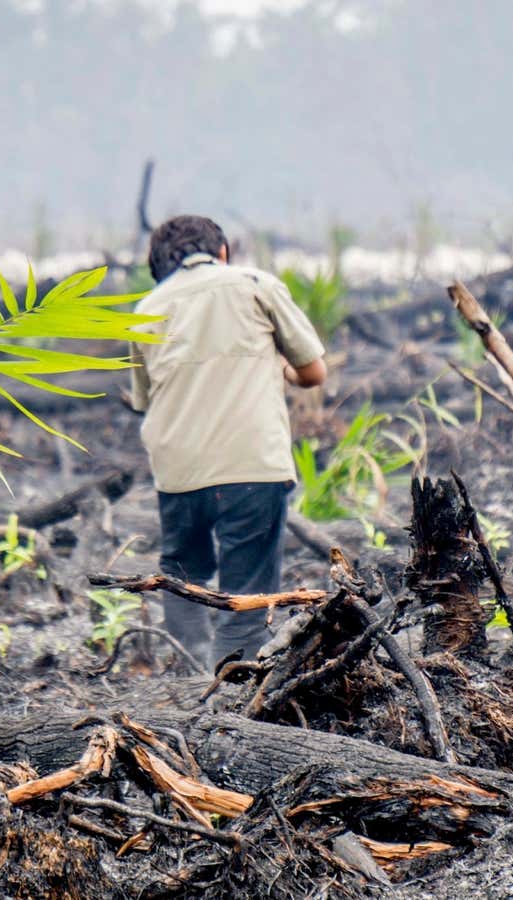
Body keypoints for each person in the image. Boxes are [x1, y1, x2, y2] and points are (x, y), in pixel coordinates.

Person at [129, 215, 327, 667]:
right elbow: (314, 372)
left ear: (160, 267)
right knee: (248, 588)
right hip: (252, 464)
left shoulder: (146, 309)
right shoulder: (255, 284)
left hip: (178, 471)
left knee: (182, 574)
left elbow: (143, 401)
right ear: (222, 252)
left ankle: (188, 673)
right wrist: (281, 368)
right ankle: (229, 687)